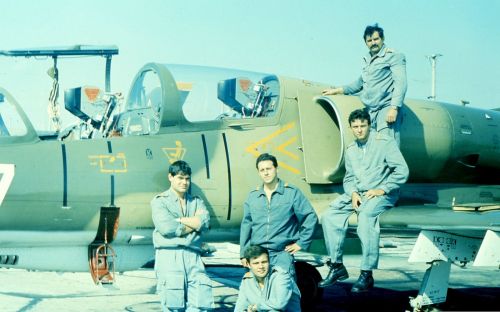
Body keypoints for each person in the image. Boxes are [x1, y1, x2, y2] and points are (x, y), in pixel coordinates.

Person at [318, 109, 409, 292]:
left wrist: (383, 189)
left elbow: (402, 170)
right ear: (351, 128)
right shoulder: (351, 150)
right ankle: (337, 267)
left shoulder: (385, 143)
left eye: (363, 126)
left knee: (366, 216)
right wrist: (352, 193)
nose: (359, 130)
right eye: (355, 127)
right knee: (329, 216)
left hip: (382, 194)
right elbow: (349, 178)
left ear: (369, 125)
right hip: (358, 193)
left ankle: (366, 273)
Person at [322, 23, 407, 145]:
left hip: (385, 107)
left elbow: (401, 83)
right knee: (372, 149)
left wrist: (394, 108)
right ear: (366, 43)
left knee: (387, 147)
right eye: (369, 40)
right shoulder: (367, 60)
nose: (373, 43)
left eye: (376, 39)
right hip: (370, 111)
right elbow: (359, 84)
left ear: (382, 39)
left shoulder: (394, 56)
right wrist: (337, 90)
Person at [240, 153, 318, 278]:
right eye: (262, 170)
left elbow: (309, 217)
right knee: (257, 293)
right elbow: (246, 226)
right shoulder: (253, 197)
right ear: (259, 173)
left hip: (281, 253)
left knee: (283, 290)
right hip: (258, 255)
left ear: (276, 169)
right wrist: (244, 254)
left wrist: (301, 243)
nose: (266, 173)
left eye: (269, 169)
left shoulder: (292, 193)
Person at [151, 160, 214, 311]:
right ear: (170, 177)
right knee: (173, 305)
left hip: (194, 256)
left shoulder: (196, 201)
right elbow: (166, 228)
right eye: (180, 178)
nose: (184, 182)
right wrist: (194, 224)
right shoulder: (160, 201)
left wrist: (179, 221)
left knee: (200, 304)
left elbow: (205, 223)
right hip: (169, 256)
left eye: (187, 179)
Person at [234, 245, 301, 312]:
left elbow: (279, 303)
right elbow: (240, 307)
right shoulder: (247, 279)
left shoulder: (281, 275)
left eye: (264, 262)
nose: (261, 266)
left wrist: (256, 307)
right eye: (256, 263)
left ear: (269, 262)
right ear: (248, 265)